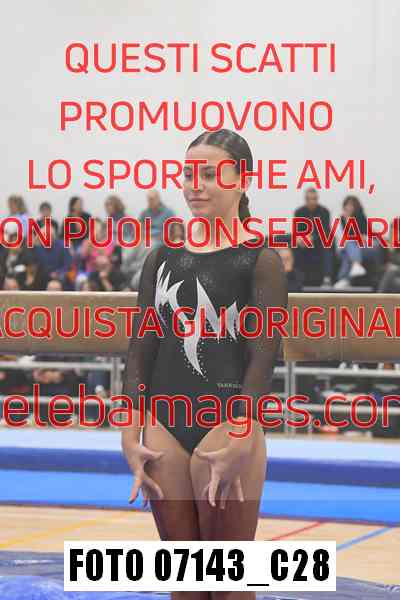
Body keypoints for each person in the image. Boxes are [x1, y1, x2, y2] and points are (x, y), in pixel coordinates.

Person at [120, 129, 288, 600]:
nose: (196, 185)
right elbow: (141, 347)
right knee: (185, 582)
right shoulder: (162, 257)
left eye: (210, 174)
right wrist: (130, 430)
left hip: (226, 423)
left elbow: (263, 357)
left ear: (242, 180)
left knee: (229, 583)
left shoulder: (260, 260)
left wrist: (243, 433)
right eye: (189, 174)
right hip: (163, 427)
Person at [334, 195, 383, 289]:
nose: (349, 207)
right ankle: (355, 265)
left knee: (352, 247)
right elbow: (340, 239)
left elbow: (367, 234)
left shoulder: (360, 217)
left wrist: (363, 238)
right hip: (345, 248)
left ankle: (344, 279)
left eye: (351, 205)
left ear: (355, 207)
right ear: (344, 206)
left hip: (361, 247)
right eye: (347, 205)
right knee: (349, 244)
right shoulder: (339, 220)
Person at [293, 187, 333, 286]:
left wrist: (312, 238)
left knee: (327, 245)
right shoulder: (299, 212)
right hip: (305, 242)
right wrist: (301, 239)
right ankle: (297, 279)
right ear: (305, 200)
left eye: (314, 199)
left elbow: (326, 231)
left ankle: (327, 278)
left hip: (319, 242)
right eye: (309, 199)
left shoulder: (324, 211)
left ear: (317, 199)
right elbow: (298, 231)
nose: (311, 202)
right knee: (294, 245)